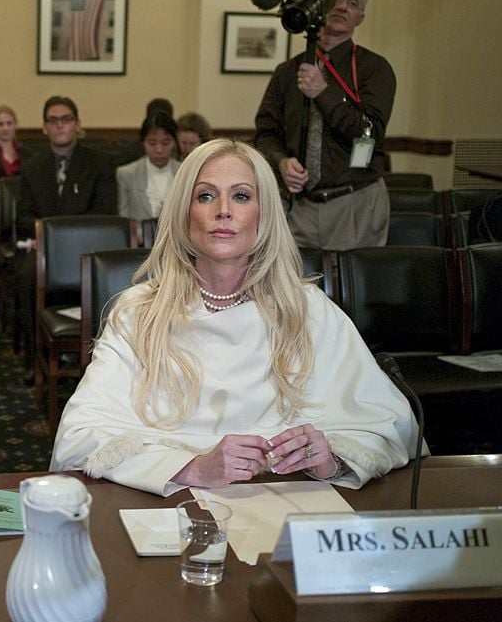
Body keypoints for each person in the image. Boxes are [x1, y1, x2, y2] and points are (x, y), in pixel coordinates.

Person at [51, 139, 419, 496]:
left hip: (287, 499)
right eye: (205, 196)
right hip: (166, 501)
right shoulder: (138, 312)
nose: (223, 210)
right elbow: (80, 436)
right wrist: (191, 467)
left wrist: (331, 459)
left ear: (264, 214)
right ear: (184, 212)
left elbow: (389, 425)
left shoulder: (307, 310)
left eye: (241, 196)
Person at [255, 0, 396, 251]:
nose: (343, 7)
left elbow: (370, 133)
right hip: (300, 205)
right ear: (319, 6)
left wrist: (323, 92)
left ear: (360, 18)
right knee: (293, 290)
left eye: (352, 3)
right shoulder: (287, 72)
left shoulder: (375, 68)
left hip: (356, 201)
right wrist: (281, 162)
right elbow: (265, 134)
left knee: (352, 291)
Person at [14, 96, 116, 364]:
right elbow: (23, 217)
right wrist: (45, 235)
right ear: (44, 127)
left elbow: (106, 213)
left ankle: (103, 359)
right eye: (53, 120)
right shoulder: (33, 167)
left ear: (78, 124)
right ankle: (36, 358)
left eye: (66, 119)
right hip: (47, 250)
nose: (60, 125)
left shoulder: (100, 162)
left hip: (91, 249)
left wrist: (70, 237)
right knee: (25, 274)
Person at [116, 110, 181, 228]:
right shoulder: (126, 174)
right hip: (140, 242)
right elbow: (124, 220)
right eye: (152, 143)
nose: (159, 150)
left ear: (175, 142)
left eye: (166, 143)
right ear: (143, 143)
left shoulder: (185, 172)